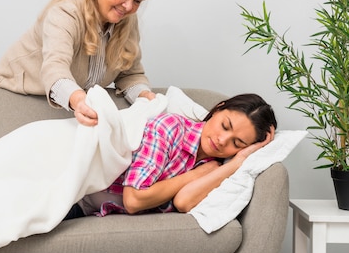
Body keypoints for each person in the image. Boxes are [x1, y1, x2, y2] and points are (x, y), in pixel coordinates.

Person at [0, 0, 156, 126]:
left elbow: (129, 74)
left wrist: (145, 96)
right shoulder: (65, 13)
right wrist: (79, 100)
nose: (129, 6)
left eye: (138, 0)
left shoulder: (127, 21)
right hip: (19, 96)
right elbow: (55, 67)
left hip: (70, 104)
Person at [65, 93, 277, 219]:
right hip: (71, 194)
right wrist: (197, 175)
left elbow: (184, 202)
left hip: (87, 210)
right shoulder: (171, 127)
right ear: (219, 108)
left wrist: (235, 164)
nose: (222, 140)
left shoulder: (215, 166)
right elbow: (133, 199)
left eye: (237, 143)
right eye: (225, 126)